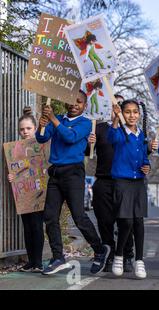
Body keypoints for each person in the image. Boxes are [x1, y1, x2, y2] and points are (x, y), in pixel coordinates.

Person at [36, 90, 110, 275]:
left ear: (85, 105)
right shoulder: (59, 118)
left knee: (79, 217)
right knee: (50, 216)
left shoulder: (85, 123)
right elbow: (42, 138)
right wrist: (41, 125)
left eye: (79, 102)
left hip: (73, 173)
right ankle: (58, 257)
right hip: (56, 172)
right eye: (71, 100)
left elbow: (70, 138)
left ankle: (100, 250)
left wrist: (53, 119)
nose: (74, 104)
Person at [108, 100, 151, 279]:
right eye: (127, 112)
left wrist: (146, 165)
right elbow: (112, 138)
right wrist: (116, 120)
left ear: (139, 114)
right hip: (122, 182)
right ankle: (119, 254)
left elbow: (143, 157)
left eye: (135, 112)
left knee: (138, 222)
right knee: (125, 221)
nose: (131, 115)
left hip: (138, 183)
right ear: (122, 113)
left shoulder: (141, 135)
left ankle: (139, 261)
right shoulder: (119, 132)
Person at [7, 107, 44, 273]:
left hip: (39, 192)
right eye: (22, 129)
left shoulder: (42, 144)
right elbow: (18, 170)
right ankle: (31, 261)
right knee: (27, 226)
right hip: (23, 193)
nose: (25, 131)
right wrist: (12, 177)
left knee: (36, 226)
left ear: (35, 128)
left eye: (28, 128)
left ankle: (38, 261)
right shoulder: (16, 149)